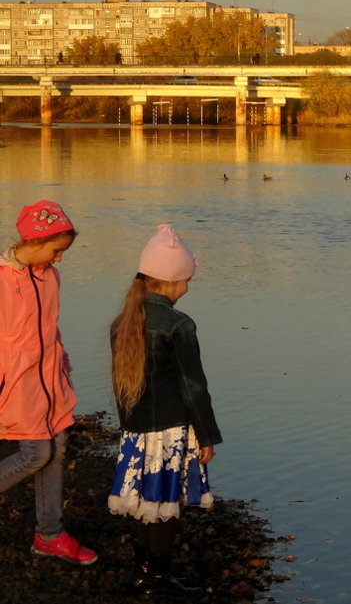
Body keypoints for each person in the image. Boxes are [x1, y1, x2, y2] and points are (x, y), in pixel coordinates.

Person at [109, 225, 221, 598]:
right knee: (166, 504)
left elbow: (122, 387)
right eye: (187, 279)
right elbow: (193, 387)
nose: (188, 286)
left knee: (144, 502)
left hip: (137, 431)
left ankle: (143, 572)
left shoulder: (123, 321)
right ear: (172, 281)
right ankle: (156, 579)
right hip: (172, 430)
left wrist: (129, 428)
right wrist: (207, 436)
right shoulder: (178, 325)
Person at [0, 200, 98, 565]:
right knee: (36, 454)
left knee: (56, 452)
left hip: (51, 379)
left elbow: (49, 328)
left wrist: (61, 364)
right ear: (35, 240)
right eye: (56, 251)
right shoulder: (2, 280)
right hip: (18, 383)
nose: (59, 259)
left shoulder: (48, 277)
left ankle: (50, 534)